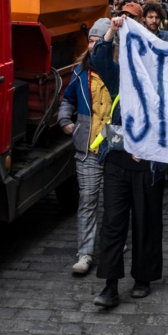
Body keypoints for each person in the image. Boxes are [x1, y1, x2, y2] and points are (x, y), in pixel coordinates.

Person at [89, 16, 167, 308]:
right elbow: (98, 57)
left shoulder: (163, 84)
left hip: (148, 165)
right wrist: (112, 29)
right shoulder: (118, 76)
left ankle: (143, 278)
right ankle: (110, 285)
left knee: (147, 221)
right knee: (113, 222)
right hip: (118, 162)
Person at [57, 19, 112, 276]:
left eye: (96, 40)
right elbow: (67, 99)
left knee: (114, 202)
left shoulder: (120, 70)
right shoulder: (80, 72)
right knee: (88, 200)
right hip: (88, 146)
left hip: (114, 147)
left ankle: (114, 243)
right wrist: (66, 121)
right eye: (90, 40)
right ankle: (85, 253)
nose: (91, 45)